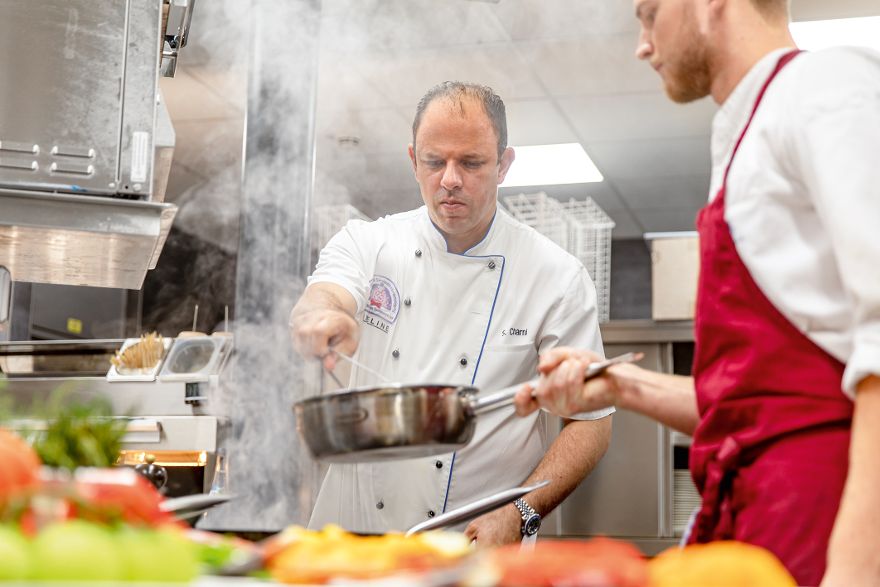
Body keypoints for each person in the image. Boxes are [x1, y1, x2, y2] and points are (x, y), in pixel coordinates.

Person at [514, 0, 880, 585]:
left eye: (650, 13)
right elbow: (755, 405)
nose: (642, 43)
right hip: (756, 532)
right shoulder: (748, 136)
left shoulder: (826, 86)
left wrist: (855, 572)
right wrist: (617, 384)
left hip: (823, 531)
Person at [290, 82, 613, 546]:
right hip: (352, 537)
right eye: (434, 161)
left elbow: (592, 420)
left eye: (472, 162)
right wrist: (323, 317)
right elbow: (325, 296)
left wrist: (521, 512)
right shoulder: (367, 242)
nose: (450, 179)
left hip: (476, 541)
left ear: (504, 164)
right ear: (412, 160)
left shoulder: (556, 276)